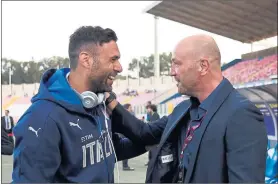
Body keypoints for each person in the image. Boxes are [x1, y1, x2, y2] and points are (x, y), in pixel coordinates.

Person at [105, 34, 268, 183]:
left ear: (203, 66)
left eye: (177, 64)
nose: (171, 72)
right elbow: (145, 133)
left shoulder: (241, 114)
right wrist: (110, 100)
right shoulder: (183, 110)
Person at [12, 26, 146, 183]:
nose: (120, 67)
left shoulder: (97, 103)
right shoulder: (42, 119)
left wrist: (151, 140)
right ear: (86, 60)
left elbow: (109, 151)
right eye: (113, 59)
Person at [120, 103, 135, 171]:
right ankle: (125, 166)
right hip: (124, 134)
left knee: (124, 150)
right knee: (125, 150)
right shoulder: (125, 115)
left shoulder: (123, 114)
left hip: (123, 134)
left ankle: (125, 165)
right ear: (127, 108)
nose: (131, 109)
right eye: (130, 107)